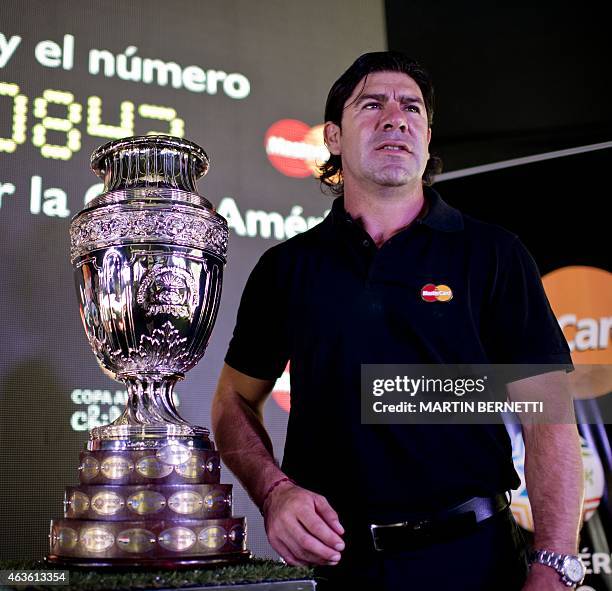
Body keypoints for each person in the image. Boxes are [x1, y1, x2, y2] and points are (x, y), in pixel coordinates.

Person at [211, 52, 585, 590]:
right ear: (334, 138)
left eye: (411, 107)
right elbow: (232, 400)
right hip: (339, 571)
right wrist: (273, 491)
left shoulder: (495, 254)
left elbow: (547, 412)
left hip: (476, 563)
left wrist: (555, 563)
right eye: (372, 104)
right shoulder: (287, 269)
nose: (395, 117)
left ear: (427, 138)